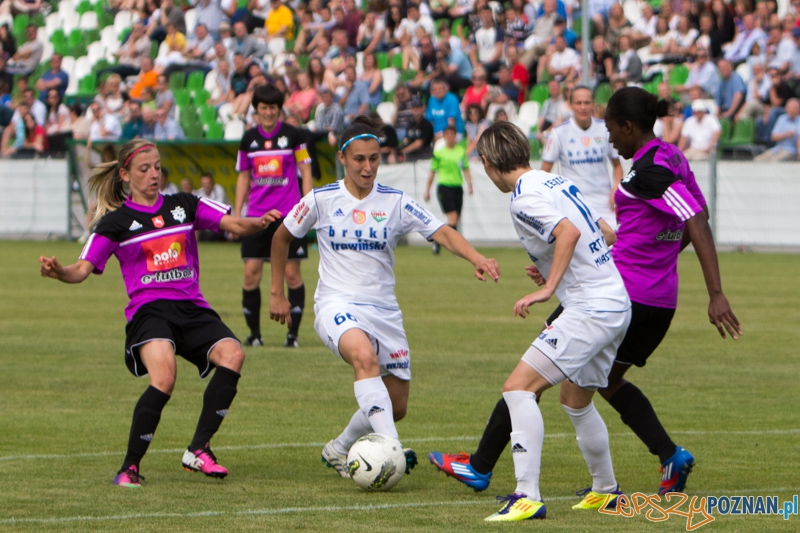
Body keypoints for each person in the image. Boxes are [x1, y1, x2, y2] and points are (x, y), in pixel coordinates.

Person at [430, 87, 741, 498]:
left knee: (523, 383)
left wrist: (552, 285)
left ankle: (506, 482)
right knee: (581, 393)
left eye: (612, 128)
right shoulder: (583, 175)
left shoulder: (637, 173)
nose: (609, 137)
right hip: (633, 296)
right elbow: (615, 232)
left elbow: (685, 221)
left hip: (608, 299)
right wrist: (566, 266)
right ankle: (618, 480)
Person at [268, 116, 500, 483]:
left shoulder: (395, 202)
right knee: (364, 357)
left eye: (374, 158)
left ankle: (341, 446)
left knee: (396, 405)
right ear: (343, 157)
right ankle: (392, 449)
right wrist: (277, 292)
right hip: (336, 304)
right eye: (359, 159)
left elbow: (441, 231)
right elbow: (281, 236)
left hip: (384, 311)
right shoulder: (321, 199)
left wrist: (478, 258)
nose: (368, 167)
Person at [38, 139, 281, 488]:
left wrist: (259, 223)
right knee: (164, 377)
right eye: (144, 169)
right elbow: (81, 269)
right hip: (149, 312)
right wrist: (59, 271)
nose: (154, 174)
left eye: (157, 167)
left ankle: (199, 449)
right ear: (125, 175)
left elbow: (234, 225)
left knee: (233, 354)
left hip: (192, 307)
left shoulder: (185, 205)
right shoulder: (115, 223)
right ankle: (129, 467)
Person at [437, 120, 631, 521]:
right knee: (575, 401)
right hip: (615, 302)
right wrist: (555, 270)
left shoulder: (525, 198)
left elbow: (567, 233)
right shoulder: (555, 181)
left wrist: (548, 288)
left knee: (518, 388)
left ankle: (526, 496)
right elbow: (606, 233)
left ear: (488, 163)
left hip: (590, 308)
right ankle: (607, 491)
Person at [235, 84, 312, 348]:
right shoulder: (248, 139)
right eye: (263, 108)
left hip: (289, 216)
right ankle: (254, 335)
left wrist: (307, 206)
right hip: (256, 215)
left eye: (273, 108)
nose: (268, 113)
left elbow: (306, 170)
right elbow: (243, 176)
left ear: (280, 110)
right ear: (256, 110)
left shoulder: (294, 136)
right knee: (250, 273)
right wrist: (237, 214)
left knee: (292, 274)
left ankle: (293, 335)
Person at [541, 86, 622, 225]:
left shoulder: (605, 129)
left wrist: (616, 188)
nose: (583, 107)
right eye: (578, 103)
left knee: (614, 243)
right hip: (573, 205)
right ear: (570, 105)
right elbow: (544, 172)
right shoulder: (559, 133)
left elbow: (618, 166)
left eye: (587, 103)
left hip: (604, 205)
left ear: (593, 104)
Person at [424, 125, 473, 254]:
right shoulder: (439, 153)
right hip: (444, 187)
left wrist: (470, 184)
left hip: (457, 187)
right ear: (444, 136)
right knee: (453, 219)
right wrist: (427, 190)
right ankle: (445, 242)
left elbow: (465, 168)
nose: (450, 137)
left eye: (453, 134)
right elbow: (432, 172)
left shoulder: (460, 151)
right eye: (448, 134)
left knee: (456, 219)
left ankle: (442, 241)